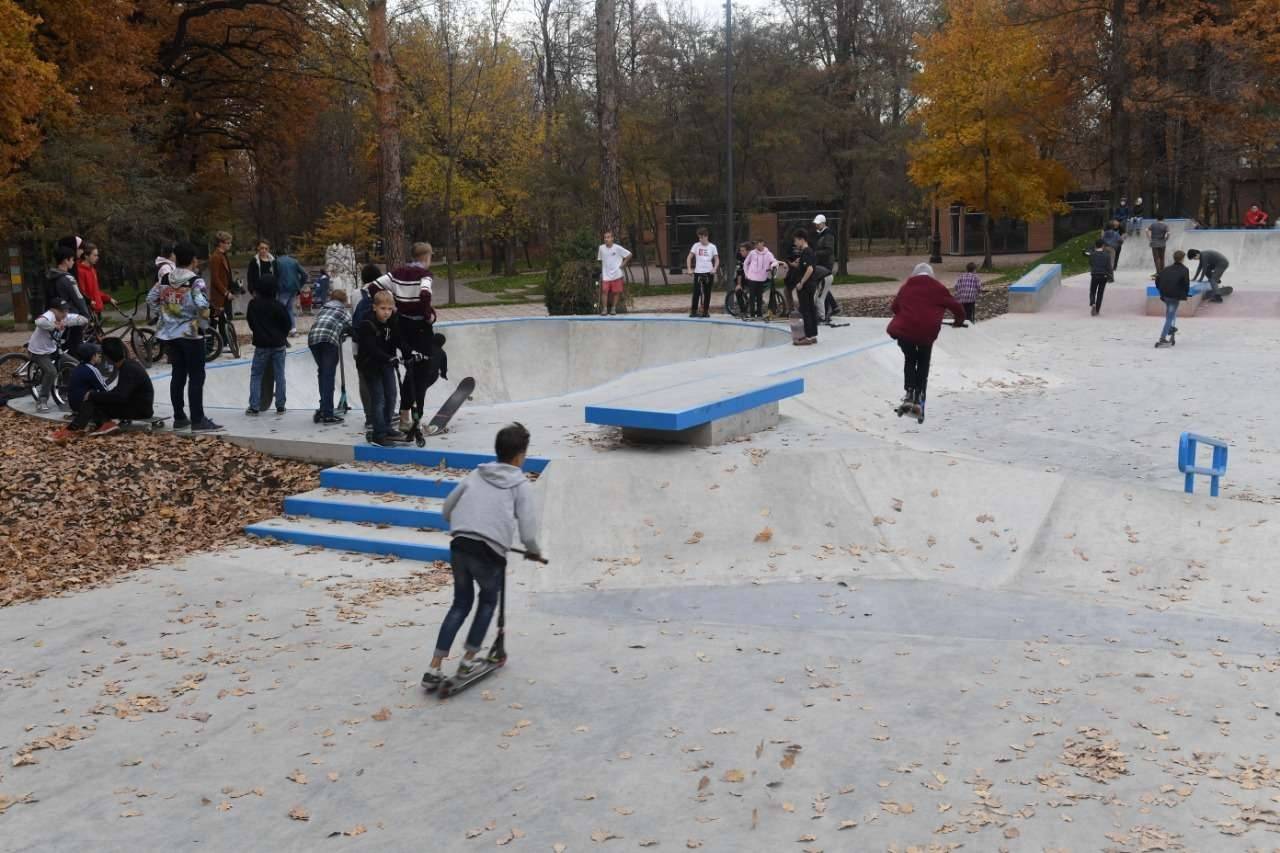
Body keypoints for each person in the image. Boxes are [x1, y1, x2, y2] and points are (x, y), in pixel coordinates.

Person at [421, 423, 542, 690]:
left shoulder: (476, 474)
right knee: (487, 601)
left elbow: (446, 509)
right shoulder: (519, 484)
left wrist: (469, 523)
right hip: (488, 552)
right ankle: (467, 661)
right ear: (521, 456)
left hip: (460, 545)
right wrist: (533, 551)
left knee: (460, 604)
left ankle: (434, 667)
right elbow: (528, 529)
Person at [148, 242, 221, 432]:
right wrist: (203, 326)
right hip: (190, 334)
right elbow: (203, 306)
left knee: (178, 374)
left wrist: (163, 315)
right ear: (193, 260)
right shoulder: (195, 281)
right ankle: (198, 419)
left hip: (170, 335)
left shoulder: (165, 278)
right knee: (196, 376)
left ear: (176, 259)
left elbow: (151, 298)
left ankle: (179, 416)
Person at [371, 242, 437, 433]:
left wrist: (394, 308)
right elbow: (425, 294)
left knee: (410, 368)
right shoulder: (425, 275)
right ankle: (416, 421)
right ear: (426, 257)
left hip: (402, 326)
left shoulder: (397, 273)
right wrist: (428, 315)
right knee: (422, 372)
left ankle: (404, 417)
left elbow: (374, 287)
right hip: (420, 328)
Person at [886, 263, 966, 414]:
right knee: (923, 360)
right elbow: (957, 308)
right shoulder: (938, 288)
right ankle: (919, 394)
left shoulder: (906, 286)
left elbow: (894, 308)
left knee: (910, 359)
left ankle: (909, 392)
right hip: (927, 332)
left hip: (904, 331)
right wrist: (958, 321)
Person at [354, 290, 402, 446]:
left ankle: (387, 426)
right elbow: (371, 348)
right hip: (370, 366)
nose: (386, 312)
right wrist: (389, 357)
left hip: (386, 364)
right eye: (383, 308)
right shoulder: (367, 324)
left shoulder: (392, 322)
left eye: (389, 309)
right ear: (375, 307)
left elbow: (397, 341)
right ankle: (378, 434)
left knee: (391, 395)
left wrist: (408, 352)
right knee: (379, 399)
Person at [26, 298, 89, 413]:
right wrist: (53, 326)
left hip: (53, 350)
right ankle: (42, 401)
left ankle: (67, 391)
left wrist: (72, 322)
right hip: (38, 352)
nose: (65, 313)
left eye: (66, 310)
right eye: (62, 311)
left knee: (77, 365)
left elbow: (83, 319)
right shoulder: (49, 315)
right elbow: (39, 322)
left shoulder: (65, 317)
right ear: (53, 310)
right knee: (51, 371)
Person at [308, 288, 351, 424]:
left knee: (322, 374)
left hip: (313, 339)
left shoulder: (323, 308)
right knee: (328, 376)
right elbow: (352, 326)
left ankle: (323, 408)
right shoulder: (343, 311)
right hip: (329, 341)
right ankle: (328, 414)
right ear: (344, 301)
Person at [44, 245, 90, 354]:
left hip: (54, 316)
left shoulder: (49, 277)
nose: (73, 262)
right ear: (66, 260)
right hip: (70, 317)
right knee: (75, 347)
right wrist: (86, 316)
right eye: (72, 259)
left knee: (59, 346)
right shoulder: (68, 279)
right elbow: (78, 299)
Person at [1154, 250, 1190, 348]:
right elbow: (1186, 284)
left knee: (1169, 313)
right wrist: (1185, 294)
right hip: (1175, 296)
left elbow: (1158, 279)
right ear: (1182, 259)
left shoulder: (1166, 269)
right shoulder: (1184, 270)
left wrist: (1160, 289)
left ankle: (1169, 328)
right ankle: (1162, 338)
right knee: (1170, 317)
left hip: (1165, 295)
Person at [791, 229, 819, 345]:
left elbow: (810, 269)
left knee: (805, 310)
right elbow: (807, 265)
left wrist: (801, 282)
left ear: (802, 240)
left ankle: (807, 336)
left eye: (796, 241)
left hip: (806, 286)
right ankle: (812, 335)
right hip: (811, 285)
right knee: (811, 309)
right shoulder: (809, 252)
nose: (795, 243)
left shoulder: (806, 251)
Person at [208, 231, 235, 352]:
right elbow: (215, 278)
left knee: (223, 319)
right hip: (219, 295)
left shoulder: (223, 255)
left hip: (225, 293)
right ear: (220, 243)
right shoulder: (216, 257)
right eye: (228, 243)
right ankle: (211, 345)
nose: (230, 245)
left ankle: (224, 343)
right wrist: (225, 292)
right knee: (216, 319)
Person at [66, 342, 108, 418]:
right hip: (85, 407)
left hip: (74, 406)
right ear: (93, 357)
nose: (100, 355)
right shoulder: (92, 370)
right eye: (98, 354)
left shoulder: (78, 367)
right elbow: (105, 390)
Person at [684, 227, 719, 318]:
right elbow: (689, 257)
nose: (700, 240)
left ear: (706, 236)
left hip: (708, 272)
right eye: (699, 238)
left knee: (707, 293)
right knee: (696, 292)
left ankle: (705, 311)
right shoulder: (696, 245)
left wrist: (714, 268)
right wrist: (689, 269)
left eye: (701, 237)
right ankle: (694, 311)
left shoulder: (712, 247)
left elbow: (716, 259)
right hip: (698, 272)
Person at [597, 230, 632, 316]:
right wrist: (602, 271)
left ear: (612, 238)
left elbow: (629, 254)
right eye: (605, 237)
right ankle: (604, 309)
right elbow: (600, 260)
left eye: (608, 237)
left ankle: (613, 308)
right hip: (606, 275)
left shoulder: (617, 248)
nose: (606, 239)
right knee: (604, 292)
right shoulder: (601, 248)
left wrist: (623, 264)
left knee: (616, 292)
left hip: (617, 274)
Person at [76, 243, 114, 319]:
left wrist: (108, 298)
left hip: (97, 310)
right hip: (90, 311)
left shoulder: (92, 270)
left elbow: (95, 290)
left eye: (97, 255)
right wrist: (90, 306)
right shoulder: (80, 271)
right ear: (86, 256)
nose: (97, 258)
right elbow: (82, 293)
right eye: (95, 255)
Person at [812, 214, 839, 320]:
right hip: (821, 262)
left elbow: (829, 250)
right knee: (822, 286)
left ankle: (830, 308)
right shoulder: (820, 234)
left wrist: (815, 253)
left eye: (818, 224)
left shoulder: (828, 234)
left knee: (822, 286)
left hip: (826, 263)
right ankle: (833, 306)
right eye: (816, 224)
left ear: (823, 223)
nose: (816, 226)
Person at [742, 238, 777, 320]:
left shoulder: (768, 254)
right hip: (752, 278)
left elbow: (774, 261)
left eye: (758, 243)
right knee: (752, 296)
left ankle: (759, 314)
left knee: (759, 297)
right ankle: (752, 314)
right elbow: (745, 263)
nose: (756, 245)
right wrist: (747, 274)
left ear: (762, 243)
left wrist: (773, 265)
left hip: (761, 278)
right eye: (755, 244)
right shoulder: (752, 253)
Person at [274, 252, 307, 336]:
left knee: (280, 309)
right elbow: (304, 274)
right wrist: (299, 285)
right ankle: (293, 329)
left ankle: (281, 329)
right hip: (294, 288)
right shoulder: (294, 261)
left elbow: (274, 276)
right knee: (289, 309)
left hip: (283, 288)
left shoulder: (277, 262)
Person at [1085, 239, 1114, 315]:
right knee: (1100, 293)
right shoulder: (1107, 255)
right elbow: (1109, 267)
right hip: (1103, 276)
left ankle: (1093, 303)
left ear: (1095, 245)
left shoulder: (1092, 254)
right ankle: (1097, 310)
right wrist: (1111, 276)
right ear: (1103, 246)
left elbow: (1090, 263)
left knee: (1092, 291)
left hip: (1094, 274)